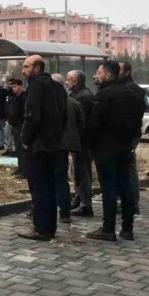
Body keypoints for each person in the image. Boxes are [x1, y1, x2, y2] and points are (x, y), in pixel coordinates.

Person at [85, 61, 144, 242]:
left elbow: (95, 124)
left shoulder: (105, 95)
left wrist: (89, 145)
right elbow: (138, 120)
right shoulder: (134, 93)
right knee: (125, 187)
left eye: (99, 72)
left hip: (106, 149)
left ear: (109, 75)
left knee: (109, 188)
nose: (97, 75)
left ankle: (108, 228)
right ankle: (127, 229)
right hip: (126, 147)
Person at [18, 55, 67, 241]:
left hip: (38, 146)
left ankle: (41, 228)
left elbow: (32, 116)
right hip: (54, 145)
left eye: (26, 67)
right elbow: (64, 116)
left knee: (39, 188)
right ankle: (50, 227)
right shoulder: (58, 87)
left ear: (37, 68)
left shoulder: (36, 87)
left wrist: (25, 139)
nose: (23, 71)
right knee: (50, 187)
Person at [53, 74, 85, 225]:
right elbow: (81, 123)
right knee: (62, 179)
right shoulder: (74, 102)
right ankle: (65, 213)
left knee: (52, 178)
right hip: (67, 146)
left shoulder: (51, 103)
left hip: (52, 146)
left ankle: (45, 211)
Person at [66, 70, 95, 217]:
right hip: (81, 142)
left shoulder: (82, 97)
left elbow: (81, 123)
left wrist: (77, 141)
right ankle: (79, 199)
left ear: (76, 82)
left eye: (68, 79)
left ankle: (85, 205)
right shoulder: (82, 94)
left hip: (82, 143)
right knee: (79, 172)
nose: (66, 82)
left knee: (81, 172)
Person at [118, 62, 146, 213]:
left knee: (128, 169)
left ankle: (132, 203)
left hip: (127, 134)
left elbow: (131, 115)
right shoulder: (132, 88)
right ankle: (129, 202)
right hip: (131, 132)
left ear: (127, 72)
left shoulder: (130, 89)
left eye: (120, 70)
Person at [6, 78, 27, 179]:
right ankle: (20, 167)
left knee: (23, 150)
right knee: (18, 149)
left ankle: (25, 170)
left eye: (15, 86)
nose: (13, 89)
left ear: (20, 86)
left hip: (20, 126)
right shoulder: (13, 97)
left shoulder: (24, 97)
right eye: (12, 87)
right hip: (14, 126)